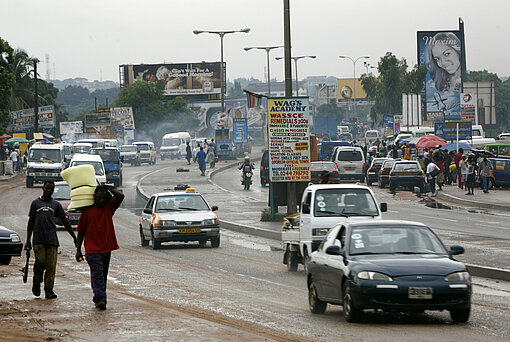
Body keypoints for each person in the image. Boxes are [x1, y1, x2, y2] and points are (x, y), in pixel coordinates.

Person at [25, 180, 77, 299]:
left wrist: (74, 237)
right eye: (47, 188)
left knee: (51, 266)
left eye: (51, 189)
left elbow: (65, 221)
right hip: (38, 239)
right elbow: (31, 222)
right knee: (41, 262)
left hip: (52, 240)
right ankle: (36, 281)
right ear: (43, 188)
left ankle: (49, 290)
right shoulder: (35, 203)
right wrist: (28, 240)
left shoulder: (56, 205)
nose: (49, 191)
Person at [75, 185, 125, 310]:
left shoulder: (109, 207)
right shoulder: (87, 211)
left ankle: (98, 296)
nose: (102, 200)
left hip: (106, 248)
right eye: (99, 198)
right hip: (91, 249)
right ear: (94, 198)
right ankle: (101, 299)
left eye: (104, 198)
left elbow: (120, 196)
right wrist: (78, 250)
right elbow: (81, 231)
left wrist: (107, 187)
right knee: (98, 274)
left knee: (102, 275)